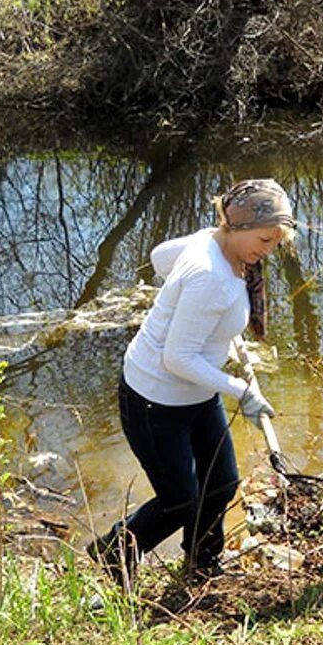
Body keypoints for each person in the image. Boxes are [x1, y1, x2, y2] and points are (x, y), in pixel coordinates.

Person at [88, 178, 296, 587]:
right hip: (155, 397)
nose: (268, 250)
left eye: (274, 241)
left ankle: (201, 564)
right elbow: (176, 358)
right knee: (180, 499)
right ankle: (115, 552)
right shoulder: (210, 275)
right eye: (264, 239)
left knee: (221, 484)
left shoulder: (210, 240)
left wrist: (219, 336)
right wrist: (241, 390)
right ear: (236, 226)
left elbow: (160, 256)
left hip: (194, 394)